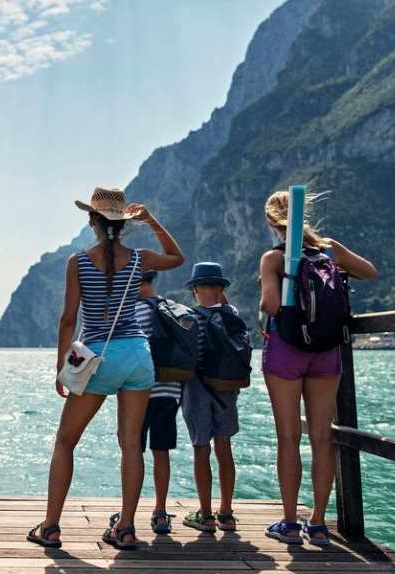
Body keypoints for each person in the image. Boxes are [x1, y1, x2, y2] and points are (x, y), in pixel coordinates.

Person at [27, 187, 184, 551]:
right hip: (137, 357)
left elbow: (69, 319)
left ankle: (50, 527)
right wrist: (153, 221)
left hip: (96, 358)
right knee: (131, 445)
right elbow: (176, 258)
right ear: (124, 224)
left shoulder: (78, 262)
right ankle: (125, 528)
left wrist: (60, 366)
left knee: (66, 441)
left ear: (92, 221)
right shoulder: (141, 259)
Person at [258, 190, 377, 545]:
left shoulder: (273, 258)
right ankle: (320, 523)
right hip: (327, 350)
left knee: (288, 436)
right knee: (323, 437)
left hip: (286, 350)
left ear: (270, 221)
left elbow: (271, 304)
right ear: (304, 216)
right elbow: (369, 272)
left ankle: (290, 523)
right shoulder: (330, 250)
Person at [178, 262, 241, 533]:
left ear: (194, 290)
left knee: (201, 450)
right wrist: (221, 298)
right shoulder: (232, 315)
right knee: (224, 449)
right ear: (220, 288)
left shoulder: (188, 319)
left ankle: (205, 515)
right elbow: (225, 307)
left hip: (197, 390)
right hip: (227, 390)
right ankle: (226, 513)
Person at [133, 271, 183, 534]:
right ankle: (160, 512)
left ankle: (127, 512)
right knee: (161, 452)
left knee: (133, 451)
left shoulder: (134, 312)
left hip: (139, 392)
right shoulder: (171, 308)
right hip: (170, 391)